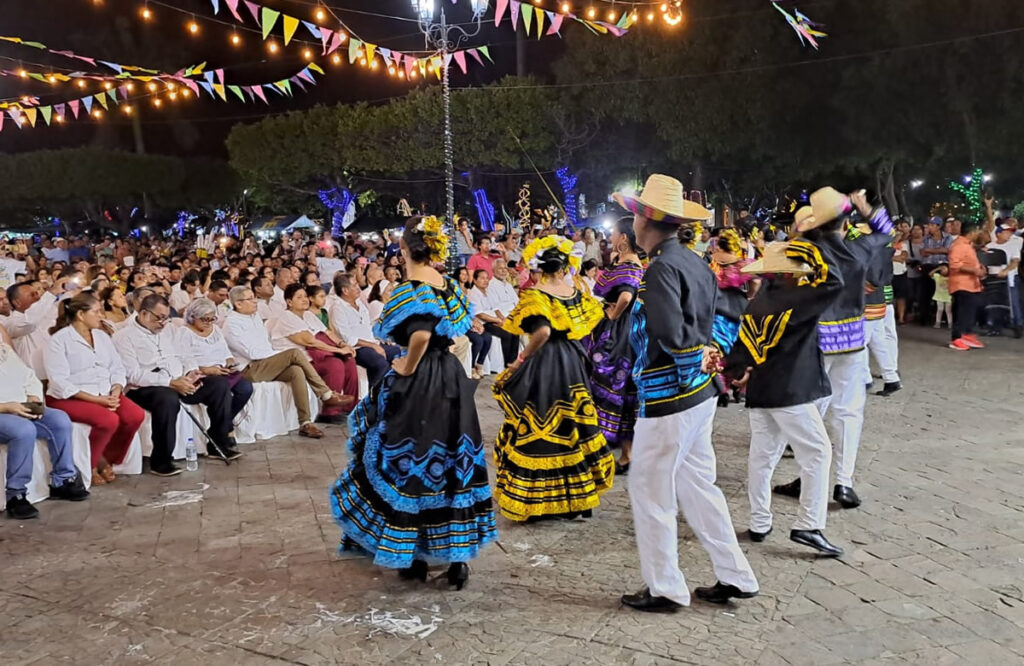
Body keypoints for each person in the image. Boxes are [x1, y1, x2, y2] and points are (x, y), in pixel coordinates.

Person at [613, 175, 758, 612]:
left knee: (651, 489)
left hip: (669, 397)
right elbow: (718, 319)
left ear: (645, 222)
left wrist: (688, 364)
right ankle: (735, 574)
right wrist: (707, 363)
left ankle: (665, 587)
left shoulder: (660, 269)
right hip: (699, 394)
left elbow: (671, 333)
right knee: (697, 485)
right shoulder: (696, 261)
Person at [329, 215, 496, 589]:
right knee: (454, 461)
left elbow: (419, 334)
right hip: (450, 376)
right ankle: (455, 559)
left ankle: (416, 556)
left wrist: (406, 364)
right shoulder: (448, 284)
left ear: (403, 248)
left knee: (412, 463)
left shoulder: (410, 289)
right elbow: (448, 329)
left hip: (422, 382)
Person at [773, 188, 894, 510]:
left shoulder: (806, 251)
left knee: (811, 410)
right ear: (846, 221)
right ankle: (844, 482)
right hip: (853, 340)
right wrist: (866, 207)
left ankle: (809, 477)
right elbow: (886, 232)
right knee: (849, 412)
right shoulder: (859, 249)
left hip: (815, 341)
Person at [725, 240, 845, 557]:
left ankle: (759, 522)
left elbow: (741, 349)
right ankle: (809, 525)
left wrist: (738, 371)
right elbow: (836, 281)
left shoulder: (761, 299)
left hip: (762, 390)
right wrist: (816, 242)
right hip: (790, 391)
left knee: (762, 458)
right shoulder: (799, 297)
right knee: (818, 453)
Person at [491, 235, 613, 522]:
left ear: (540, 268)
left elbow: (542, 332)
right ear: (564, 267)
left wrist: (520, 361)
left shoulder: (537, 294)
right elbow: (595, 318)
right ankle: (579, 500)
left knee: (540, 425)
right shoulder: (573, 292)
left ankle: (537, 502)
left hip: (546, 364)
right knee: (572, 425)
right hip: (572, 360)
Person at [113, 294, 242, 476]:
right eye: (159, 318)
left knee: (219, 386)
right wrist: (170, 383)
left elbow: (186, 355)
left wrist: (192, 373)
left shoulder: (171, 329)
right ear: (143, 313)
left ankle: (218, 443)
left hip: (179, 380)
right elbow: (133, 374)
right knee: (167, 398)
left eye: (166, 317)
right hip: (145, 388)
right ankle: (161, 460)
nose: (163, 323)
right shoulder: (124, 337)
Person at [223, 286, 353, 439]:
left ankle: (305, 423)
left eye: (254, 298)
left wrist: (278, 356)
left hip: (264, 363)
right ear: (238, 304)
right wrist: (280, 356)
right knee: (294, 353)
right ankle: (325, 394)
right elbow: (252, 353)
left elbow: (265, 346)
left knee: (296, 371)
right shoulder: (231, 324)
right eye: (250, 299)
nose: (255, 302)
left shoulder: (254, 317)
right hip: (248, 369)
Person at [43, 293, 145, 486]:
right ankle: (90, 465)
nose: (102, 316)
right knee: (108, 419)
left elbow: (116, 366)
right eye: (97, 312)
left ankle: (105, 456)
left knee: (135, 415)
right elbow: (59, 381)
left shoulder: (101, 336)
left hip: (104, 392)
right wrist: (95, 400)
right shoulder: (59, 340)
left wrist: (116, 388)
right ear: (81, 314)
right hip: (69, 397)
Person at [1, 337, 89, 519]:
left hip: (20, 405)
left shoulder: (5, 351)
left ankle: (63, 480)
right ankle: (16, 494)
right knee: (24, 430)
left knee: (59, 420)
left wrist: (33, 396)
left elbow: (28, 375)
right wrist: (6, 407)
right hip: (3, 410)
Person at [583, 217, 644, 475]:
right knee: (622, 390)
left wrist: (614, 315)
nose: (611, 237)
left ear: (624, 238)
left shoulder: (630, 263)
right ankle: (624, 453)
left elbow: (627, 295)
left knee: (611, 383)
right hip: (618, 328)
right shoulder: (622, 261)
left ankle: (622, 452)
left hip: (619, 333)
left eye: (614, 233)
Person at [269, 284, 359, 424]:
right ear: (289, 302)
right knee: (334, 364)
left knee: (349, 360)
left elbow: (327, 333)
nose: (304, 299)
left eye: (305, 296)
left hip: (316, 355)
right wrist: (338, 350)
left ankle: (350, 407)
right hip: (299, 359)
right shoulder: (286, 317)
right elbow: (310, 341)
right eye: (299, 297)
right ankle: (329, 412)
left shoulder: (308, 315)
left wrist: (343, 345)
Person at [182, 298, 254, 430]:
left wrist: (230, 364)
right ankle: (225, 430)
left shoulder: (215, 330)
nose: (209, 323)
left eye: (212, 319)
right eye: (204, 319)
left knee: (245, 387)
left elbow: (226, 353)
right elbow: (185, 361)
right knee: (221, 386)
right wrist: (207, 370)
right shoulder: (184, 333)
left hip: (221, 371)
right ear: (193, 317)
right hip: (202, 375)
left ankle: (223, 424)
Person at [328, 273, 401, 387]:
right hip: (356, 348)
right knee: (379, 363)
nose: (358, 287)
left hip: (371, 342)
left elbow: (367, 328)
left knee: (399, 352)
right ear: (345, 290)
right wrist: (373, 345)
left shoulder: (359, 304)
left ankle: (393, 391)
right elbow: (347, 339)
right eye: (354, 285)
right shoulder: (338, 308)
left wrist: (379, 339)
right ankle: (373, 398)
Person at [467, 270, 520, 369]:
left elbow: (496, 308)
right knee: (506, 334)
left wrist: (503, 319)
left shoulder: (488, 291)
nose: (485, 280)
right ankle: (506, 364)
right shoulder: (473, 294)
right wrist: (497, 320)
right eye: (482, 278)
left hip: (494, 320)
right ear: (474, 280)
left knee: (515, 331)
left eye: (487, 278)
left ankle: (513, 362)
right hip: (484, 324)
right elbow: (480, 314)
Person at [947, 222, 987, 351]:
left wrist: (979, 268)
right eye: (977, 232)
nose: (978, 234)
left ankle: (967, 335)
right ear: (971, 233)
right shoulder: (958, 245)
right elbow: (954, 265)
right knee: (962, 313)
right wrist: (974, 271)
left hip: (971, 284)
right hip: (961, 284)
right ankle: (956, 338)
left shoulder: (968, 245)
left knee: (971, 311)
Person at [930, 264, 952, 328]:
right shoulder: (937, 276)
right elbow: (930, 274)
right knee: (940, 309)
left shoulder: (950, 278)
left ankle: (950, 323)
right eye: (942, 269)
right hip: (939, 296)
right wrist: (937, 269)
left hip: (948, 296)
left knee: (948, 310)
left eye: (945, 269)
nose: (943, 271)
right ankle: (937, 322)